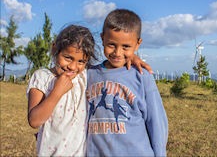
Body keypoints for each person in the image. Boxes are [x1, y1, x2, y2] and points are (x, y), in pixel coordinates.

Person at [26, 24, 153, 156]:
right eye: (68, 58)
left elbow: (109, 67)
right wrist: (57, 91)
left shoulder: (85, 76)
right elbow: (34, 121)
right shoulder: (41, 77)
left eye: (81, 61)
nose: (73, 66)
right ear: (54, 49)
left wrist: (131, 57)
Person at [86, 9, 168, 156]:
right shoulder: (88, 74)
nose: (117, 53)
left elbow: (156, 122)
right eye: (111, 44)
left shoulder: (142, 76)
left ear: (137, 44)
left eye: (126, 47)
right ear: (102, 38)